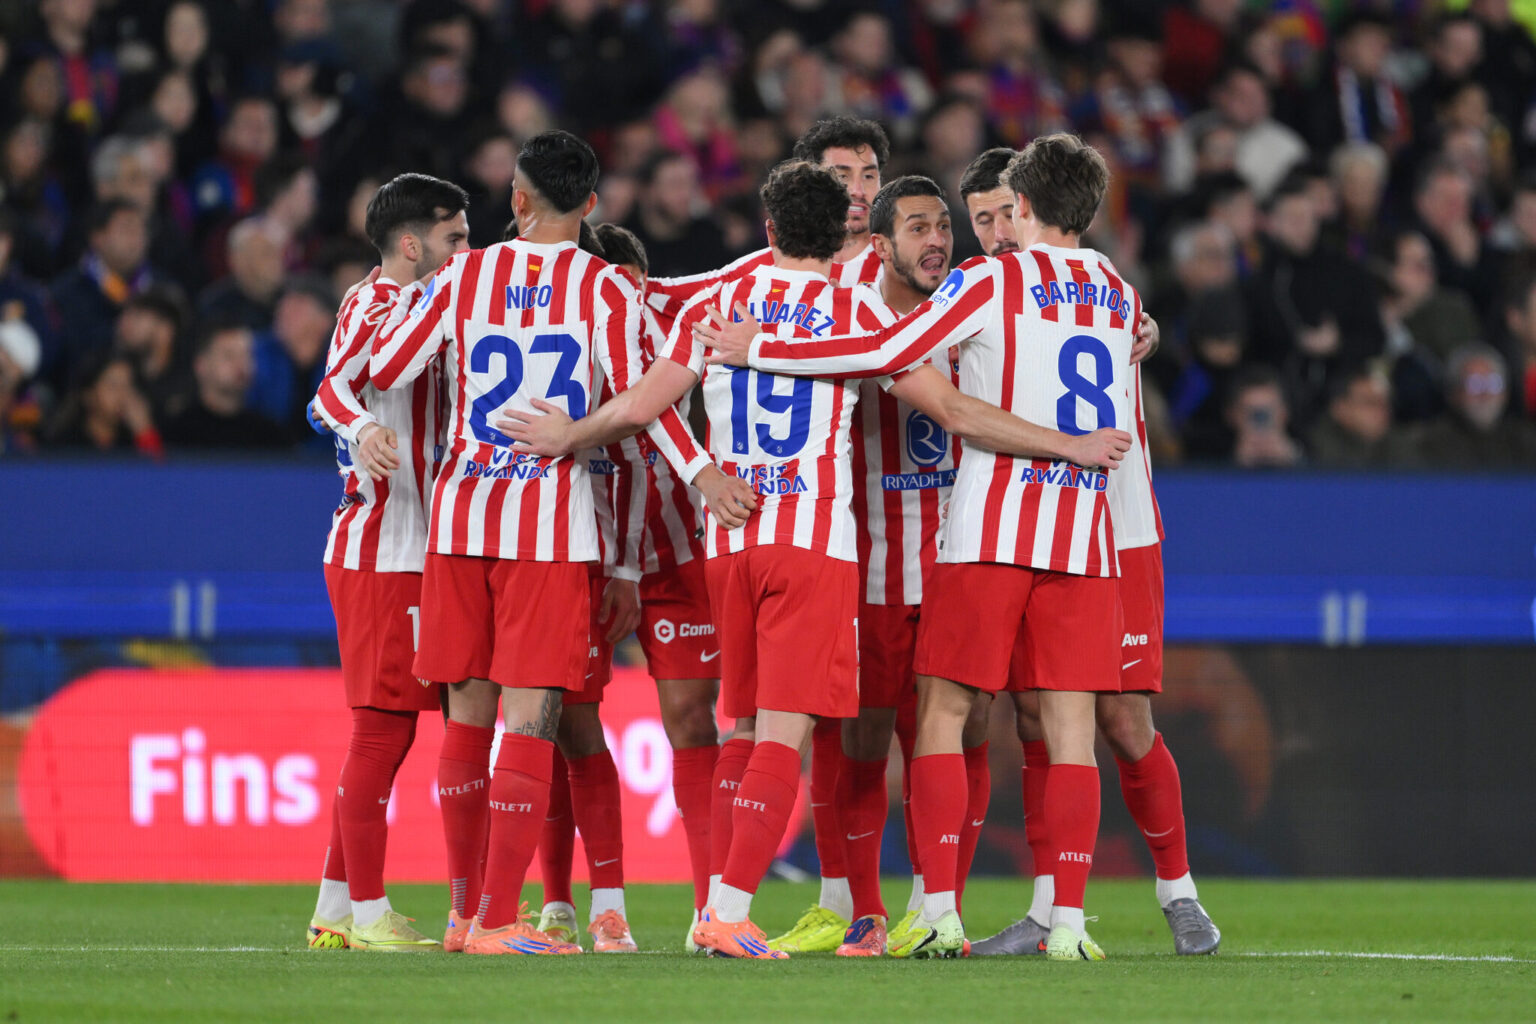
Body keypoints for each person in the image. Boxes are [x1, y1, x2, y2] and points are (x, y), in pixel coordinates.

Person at [497, 159, 1129, 959]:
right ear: (847, 240)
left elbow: (644, 402)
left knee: (743, 726)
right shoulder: (854, 310)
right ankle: (729, 911)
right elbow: (950, 406)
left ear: (766, 232)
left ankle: (711, 913)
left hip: (729, 539)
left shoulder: (721, 304)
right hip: (816, 544)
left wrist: (664, 461)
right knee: (786, 738)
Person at [696, 133, 1139, 961]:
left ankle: (936, 911)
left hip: (988, 526)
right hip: (1083, 531)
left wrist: (758, 347)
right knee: (1069, 726)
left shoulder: (991, 278)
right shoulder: (1119, 291)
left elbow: (887, 352)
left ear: (1028, 209)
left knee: (943, 712)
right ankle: (1069, 927)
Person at [368, 130, 743, 956]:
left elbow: (386, 364)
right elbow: (647, 403)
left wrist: (360, 401)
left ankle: (466, 913)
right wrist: (705, 472)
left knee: (465, 720)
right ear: (594, 206)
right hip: (549, 527)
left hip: (461, 518)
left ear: (518, 199)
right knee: (530, 722)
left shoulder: (462, 273)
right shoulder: (607, 290)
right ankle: (501, 919)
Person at [303, 172, 471, 953]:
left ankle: (336, 905)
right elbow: (328, 392)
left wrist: (359, 425)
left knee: (390, 731)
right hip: (385, 548)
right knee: (381, 733)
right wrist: (361, 427)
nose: (466, 251)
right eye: (454, 238)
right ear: (413, 244)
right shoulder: (379, 304)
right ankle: (369, 913)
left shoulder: (401, 302)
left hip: (416, 548)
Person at [161, 321, 288, 449]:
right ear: (201, 366)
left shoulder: (270, 436)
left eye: (247, 355)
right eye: (229, 356)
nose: (241, 364)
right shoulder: (177, 435)